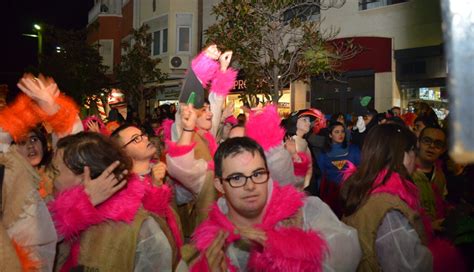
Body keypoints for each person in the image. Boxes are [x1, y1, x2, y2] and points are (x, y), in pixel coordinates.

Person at [189, 137, 361, 271]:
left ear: (268, 175)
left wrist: (287, 250)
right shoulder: (213, 244)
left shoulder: (301, 211)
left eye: (257, 174)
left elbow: (348, 255)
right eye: (237, 178)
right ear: (220, 185)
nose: (250, 186)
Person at [48, 132, 184, 271]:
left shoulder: (139, 229)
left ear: (84, 177)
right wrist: (84, 205)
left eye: (55, 171)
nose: (49, 177)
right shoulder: (59, 210)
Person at [341, 124, 464, 271]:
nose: (415, 157)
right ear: (403, 155)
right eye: (414, 150)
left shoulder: (366, 187)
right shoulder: (389, 205)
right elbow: (409, 265)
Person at [166, 45, 237, 237]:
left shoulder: (208, 134)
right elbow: (185, 106)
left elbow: (216, 101)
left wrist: (222, 69)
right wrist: (203, 65)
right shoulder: (182, 131)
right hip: (191, 222)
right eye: (203, 110)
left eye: (209, 110)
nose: (211, 113)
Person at [317, 121, 360, 216]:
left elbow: (361, 171)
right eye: (336, 132)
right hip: (332, 197)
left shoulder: (354, 149)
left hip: (351, 195)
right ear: (330, 135)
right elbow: (321, 176)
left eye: (342, 131)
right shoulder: (323, 154)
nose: (341, 134)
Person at [412, 126, 448, 225]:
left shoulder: (440, 176)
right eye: (427, 141)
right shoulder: (406, 172)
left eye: (438, 144)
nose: (431, 146)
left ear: (443, 149)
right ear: (418, 142)